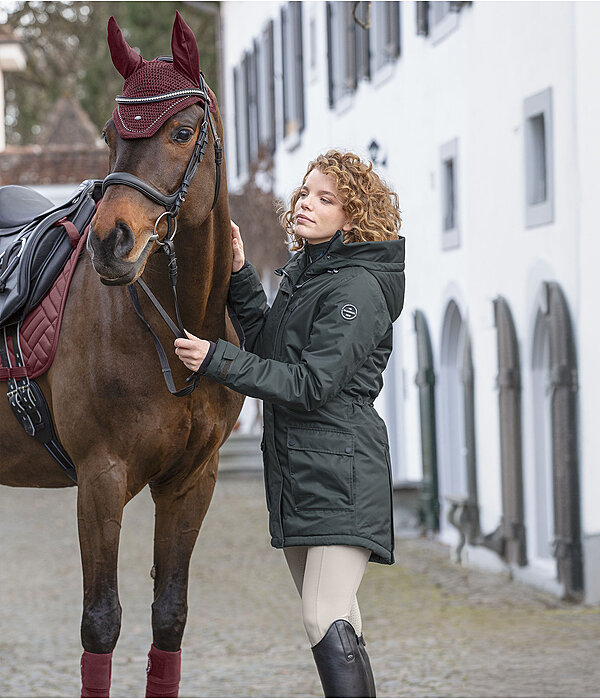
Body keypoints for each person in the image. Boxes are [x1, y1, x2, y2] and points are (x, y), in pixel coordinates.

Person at [175, 150, 405, 697]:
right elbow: (272, 348)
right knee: (337, 618)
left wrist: (216, 360)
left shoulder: (357, 288)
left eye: (326, 199)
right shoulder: (309, 272)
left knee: (323, 617)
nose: (306, 204)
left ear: (354, 217)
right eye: (305, 193)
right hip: (302, 469)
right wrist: (237, 274)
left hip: (341, 471)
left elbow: (309, 384)